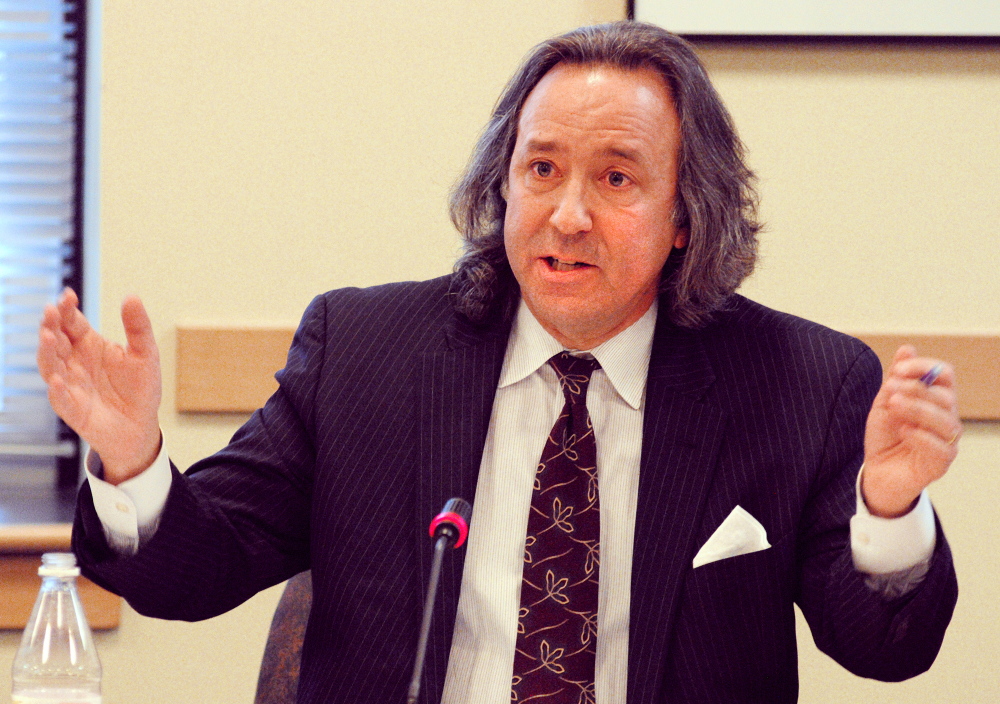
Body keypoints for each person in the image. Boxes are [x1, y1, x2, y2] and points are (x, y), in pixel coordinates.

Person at [39, 21, 959, 704]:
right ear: (501, 182)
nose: (567, 215)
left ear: (688, 216)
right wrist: (132, 459)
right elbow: (195, 569)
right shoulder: (364, 354)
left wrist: (888, 507)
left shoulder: (799, 383)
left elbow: (884, 644)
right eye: (542, 169)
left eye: (617, 178)